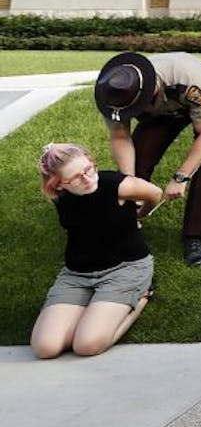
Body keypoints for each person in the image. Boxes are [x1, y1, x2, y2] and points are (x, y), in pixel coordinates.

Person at [93, 51, 201, 267]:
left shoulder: (189, 84)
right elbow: (120, 136)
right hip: (162, 110)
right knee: (140, 156)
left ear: (152, 89)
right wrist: (131, 182)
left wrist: (181, 177)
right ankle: (129, 224)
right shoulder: (112, 91)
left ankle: (195, 236)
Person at [31, 143, 162, 359]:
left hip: (125, 268)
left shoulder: (117, 185)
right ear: (59, 185)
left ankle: (140, 300)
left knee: (86, 345)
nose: (88, 178)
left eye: (89, 169)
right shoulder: (61, 198)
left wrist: (137, 216)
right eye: (75, 177)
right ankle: (88, 311)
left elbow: (155, 194)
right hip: (77, 275)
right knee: (45, 347)